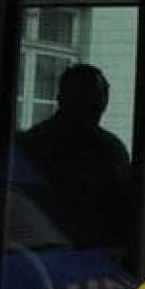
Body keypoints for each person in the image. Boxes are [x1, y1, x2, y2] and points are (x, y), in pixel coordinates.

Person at [15, 64, 130, 248]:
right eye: (87, 96)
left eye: (99, 97)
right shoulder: (111, 149)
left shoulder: (32, 143)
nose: (97, 104)